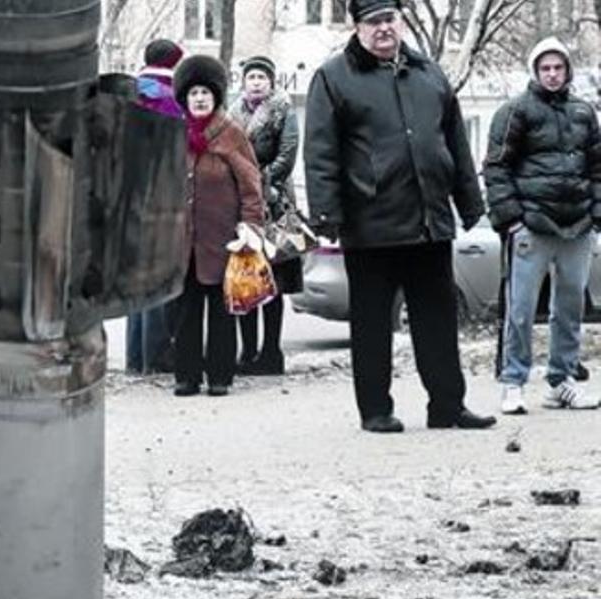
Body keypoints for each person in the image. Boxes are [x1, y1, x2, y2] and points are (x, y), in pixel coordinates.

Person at [304, 0, 495, 433]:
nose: (383, 29)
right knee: (372, 323)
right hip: (370, 223)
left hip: (429, 220)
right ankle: (375, 409)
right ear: (357, 28)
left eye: (389, 19)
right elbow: (320, 151)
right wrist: (326, 214)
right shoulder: (333, 77)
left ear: (401, 21)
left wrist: (469, 202)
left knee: (438, 319)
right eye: (373, 22)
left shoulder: (429, 74)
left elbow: (455, 142)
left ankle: (447, 405)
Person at [486, 37, 601, 413]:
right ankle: (513, 381)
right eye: (545, 68)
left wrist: (596, 212)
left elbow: (597, 167)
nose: (552, 74)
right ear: (536, 71)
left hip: (577, 225)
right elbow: (496, 167)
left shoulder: (584, 113)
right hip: (533, 224)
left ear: (567, 70)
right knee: (520, 308)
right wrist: (511, 220)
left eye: (558, 67)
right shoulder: (515, 111)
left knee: (569, 308)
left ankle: (562, 379)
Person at [171, 55, 266, 398]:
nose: (199, 99)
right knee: (185, 313)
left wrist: (251, 227)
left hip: (224, 240)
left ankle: (220, 376)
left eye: (205, 93)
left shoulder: (231, 135)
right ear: (184, 97)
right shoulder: (174, 134)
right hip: (183, 241)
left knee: (223, 314)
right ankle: (186, 376)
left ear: (216, 97)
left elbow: (251, 186)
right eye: (193, 93)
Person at [230, 55, 301, 376]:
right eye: (251, 77)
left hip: (275, 200)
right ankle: (248, 352)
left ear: (271, 82)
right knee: (246, 275)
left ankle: (271, 352)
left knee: (274, 279)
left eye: (262, 77)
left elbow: (288, 153)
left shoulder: (282, 109)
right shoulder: (233, 112)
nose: (256, 82)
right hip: (241, 202)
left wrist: (261, 179)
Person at [126, 38, 184, 375]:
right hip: (160, 195)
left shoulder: (128, 92)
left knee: (134, 277)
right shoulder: (172, 99)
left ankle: (135, 358)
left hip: (126, 197)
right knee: (160, 278)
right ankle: (157, 356)